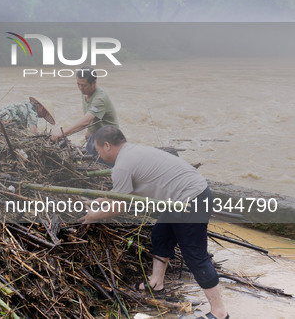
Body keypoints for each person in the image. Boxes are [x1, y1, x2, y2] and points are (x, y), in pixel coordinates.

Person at [80, 126, 229, 319]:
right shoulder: (132, 152)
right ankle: (156, 283)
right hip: (183, 197)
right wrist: (100, 202)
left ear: (107, 145)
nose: (99, 155)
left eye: (98, 150)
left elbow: (119, 207)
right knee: (160, 235)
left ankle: (219, 312)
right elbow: (120, 196)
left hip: (191, 199)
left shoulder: (122, 166)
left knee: (195, 254)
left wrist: (92, 217)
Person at [50, 67, 118, 157]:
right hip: (95, 136)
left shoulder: (100, 98)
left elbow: (87, 120)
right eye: (78, 84)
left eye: (84, 85)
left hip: (108, 141)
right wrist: (90, 130)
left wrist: (61, 133)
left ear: (94, 83)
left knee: (103, 165)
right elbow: (91, 116)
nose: (81, 88)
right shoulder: (86, 93)